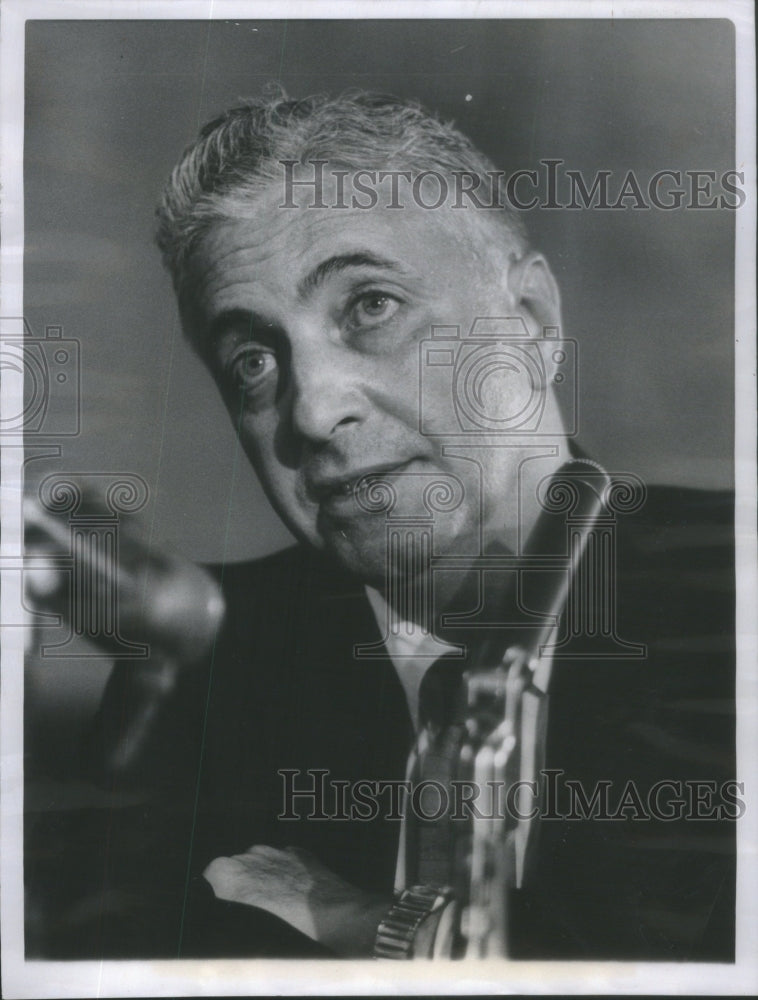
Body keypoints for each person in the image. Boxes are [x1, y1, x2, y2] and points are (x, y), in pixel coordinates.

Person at [24, 91, 736, 961]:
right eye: (254, 360)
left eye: (371, 307)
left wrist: (375, 925)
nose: (314, 410)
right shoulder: (214, 670)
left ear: (534, 319)